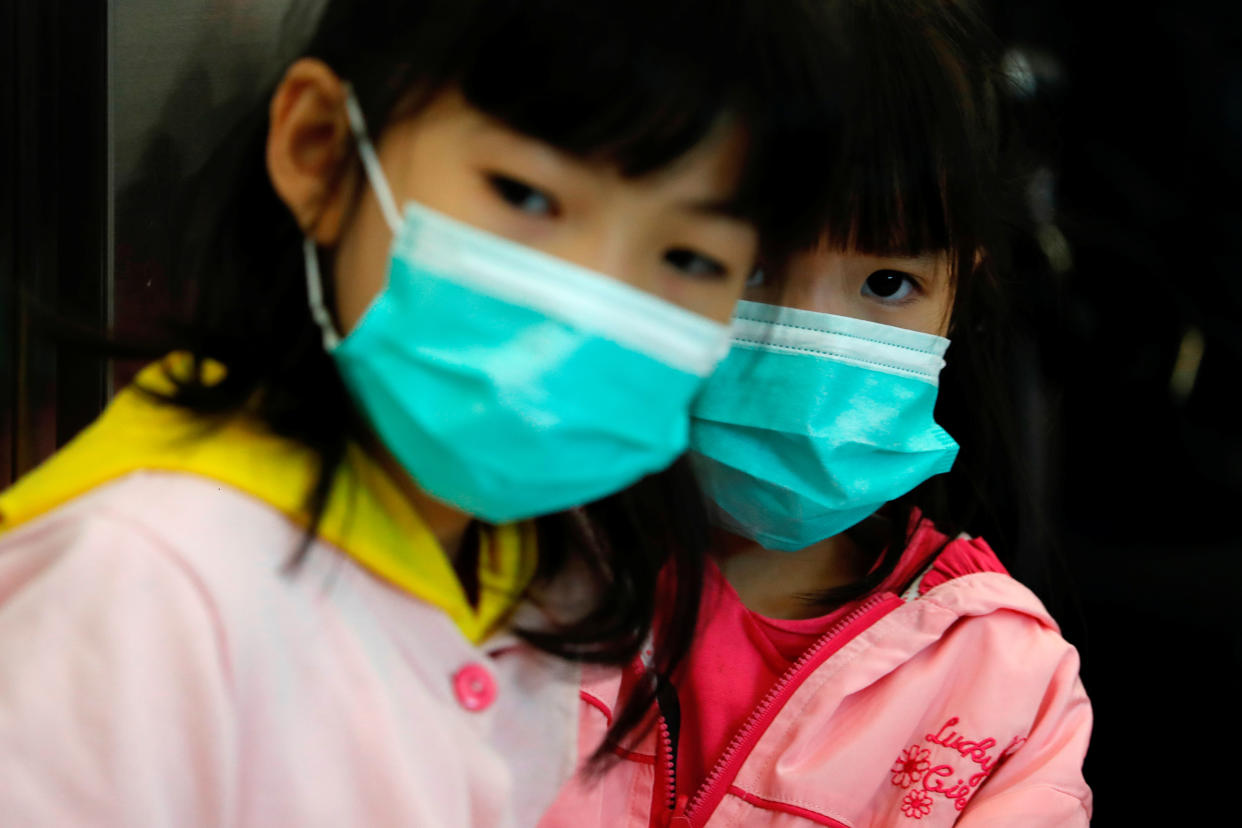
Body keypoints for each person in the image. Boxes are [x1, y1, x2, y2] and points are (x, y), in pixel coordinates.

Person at [0, 1, 844, 824]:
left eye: (689, 256)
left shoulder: (542, 561)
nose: (596, 298)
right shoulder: (144, 586)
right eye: (527, 195)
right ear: (321, 150)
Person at [540, 1, 1093, 825]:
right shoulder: (513, 560)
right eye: (749, 269)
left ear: (957, 291)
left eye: (886, 284)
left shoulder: (1003, 684)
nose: (806, 350)